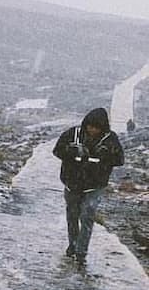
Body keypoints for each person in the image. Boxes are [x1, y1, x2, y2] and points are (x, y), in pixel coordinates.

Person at [52, 107, 123, 262]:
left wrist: (106, 154)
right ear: (86, 124)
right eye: (90, 126)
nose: (92, 130)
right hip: (72, 183)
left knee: (87, 214)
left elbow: (119, 160)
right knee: (72, 215)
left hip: (95, 185)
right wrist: (71, 151)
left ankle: (81, 251)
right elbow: (57, 151)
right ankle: (73, 244)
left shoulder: (110, 139)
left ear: (103, 127)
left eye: (97, 127)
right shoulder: (74, 134)